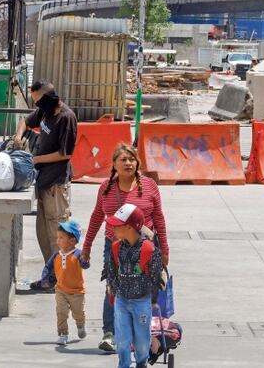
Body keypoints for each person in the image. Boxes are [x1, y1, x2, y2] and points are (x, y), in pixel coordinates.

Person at [82, 144, 170, 354]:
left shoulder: (149, 186)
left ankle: (143, 332)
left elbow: (158, 217)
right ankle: (110, 334)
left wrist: (164, 248)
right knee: (113, 286)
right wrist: (87, 246)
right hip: (113, 246)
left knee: (146, 286)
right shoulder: (106, 188)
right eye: (123, 159)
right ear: (114, 164)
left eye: (132, 159)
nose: (129, 163)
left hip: (145, 248)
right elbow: (96, 217)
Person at [15, 80, 78, 288]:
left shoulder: (65, 117)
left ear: (50, 98)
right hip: (43, 182)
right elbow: (25, 120)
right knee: (44, 233)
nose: (37, 107)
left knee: (57, 234)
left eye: (39, 102)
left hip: (56, 185)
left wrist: (37, 159)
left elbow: (65, 153)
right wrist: (18, 136)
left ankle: (63, 279)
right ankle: (50, 276)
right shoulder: (44, 112)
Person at [105, 203, 163, 368]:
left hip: (141, 302)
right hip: (121, 301)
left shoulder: (150, 250)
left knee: (142, 339)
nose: (113, 228)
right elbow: (111, 271)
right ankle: (123, 364)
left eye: (117, 225)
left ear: (130, 227)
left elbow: (155, 278)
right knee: (122, 339)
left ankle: (141, 362)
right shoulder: (116, 248)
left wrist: (150, 297)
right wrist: (114, 288)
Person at [41, 219, 91, 345]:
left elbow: (85, 265)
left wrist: (85, 260)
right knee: (61, 313)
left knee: (78, 313)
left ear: (72, 241)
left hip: (77, 292)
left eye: (61, 237)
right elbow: (48, 267)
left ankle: (80, 325)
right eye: (57, 237)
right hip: (61, 290)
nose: (57, 240)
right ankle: (63, 334)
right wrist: (45, 279)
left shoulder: (78, 254)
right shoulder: (56, 255)